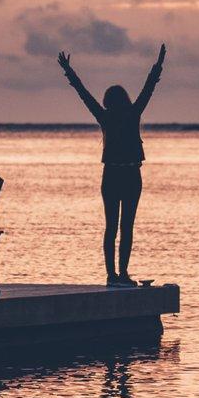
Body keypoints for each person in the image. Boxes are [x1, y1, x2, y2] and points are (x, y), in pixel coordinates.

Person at [57, 43, 166, 287]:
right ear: (124, 100)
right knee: (125, 227)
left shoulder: (106, 115)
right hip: (128, 175)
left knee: (113, 227)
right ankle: (120, 274)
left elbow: (83, 93)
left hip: (113, 176)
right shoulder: (131, 112)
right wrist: (158, 66)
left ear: (108, 101)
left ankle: (114, 275)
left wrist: (69, 71)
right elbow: (148, 90)